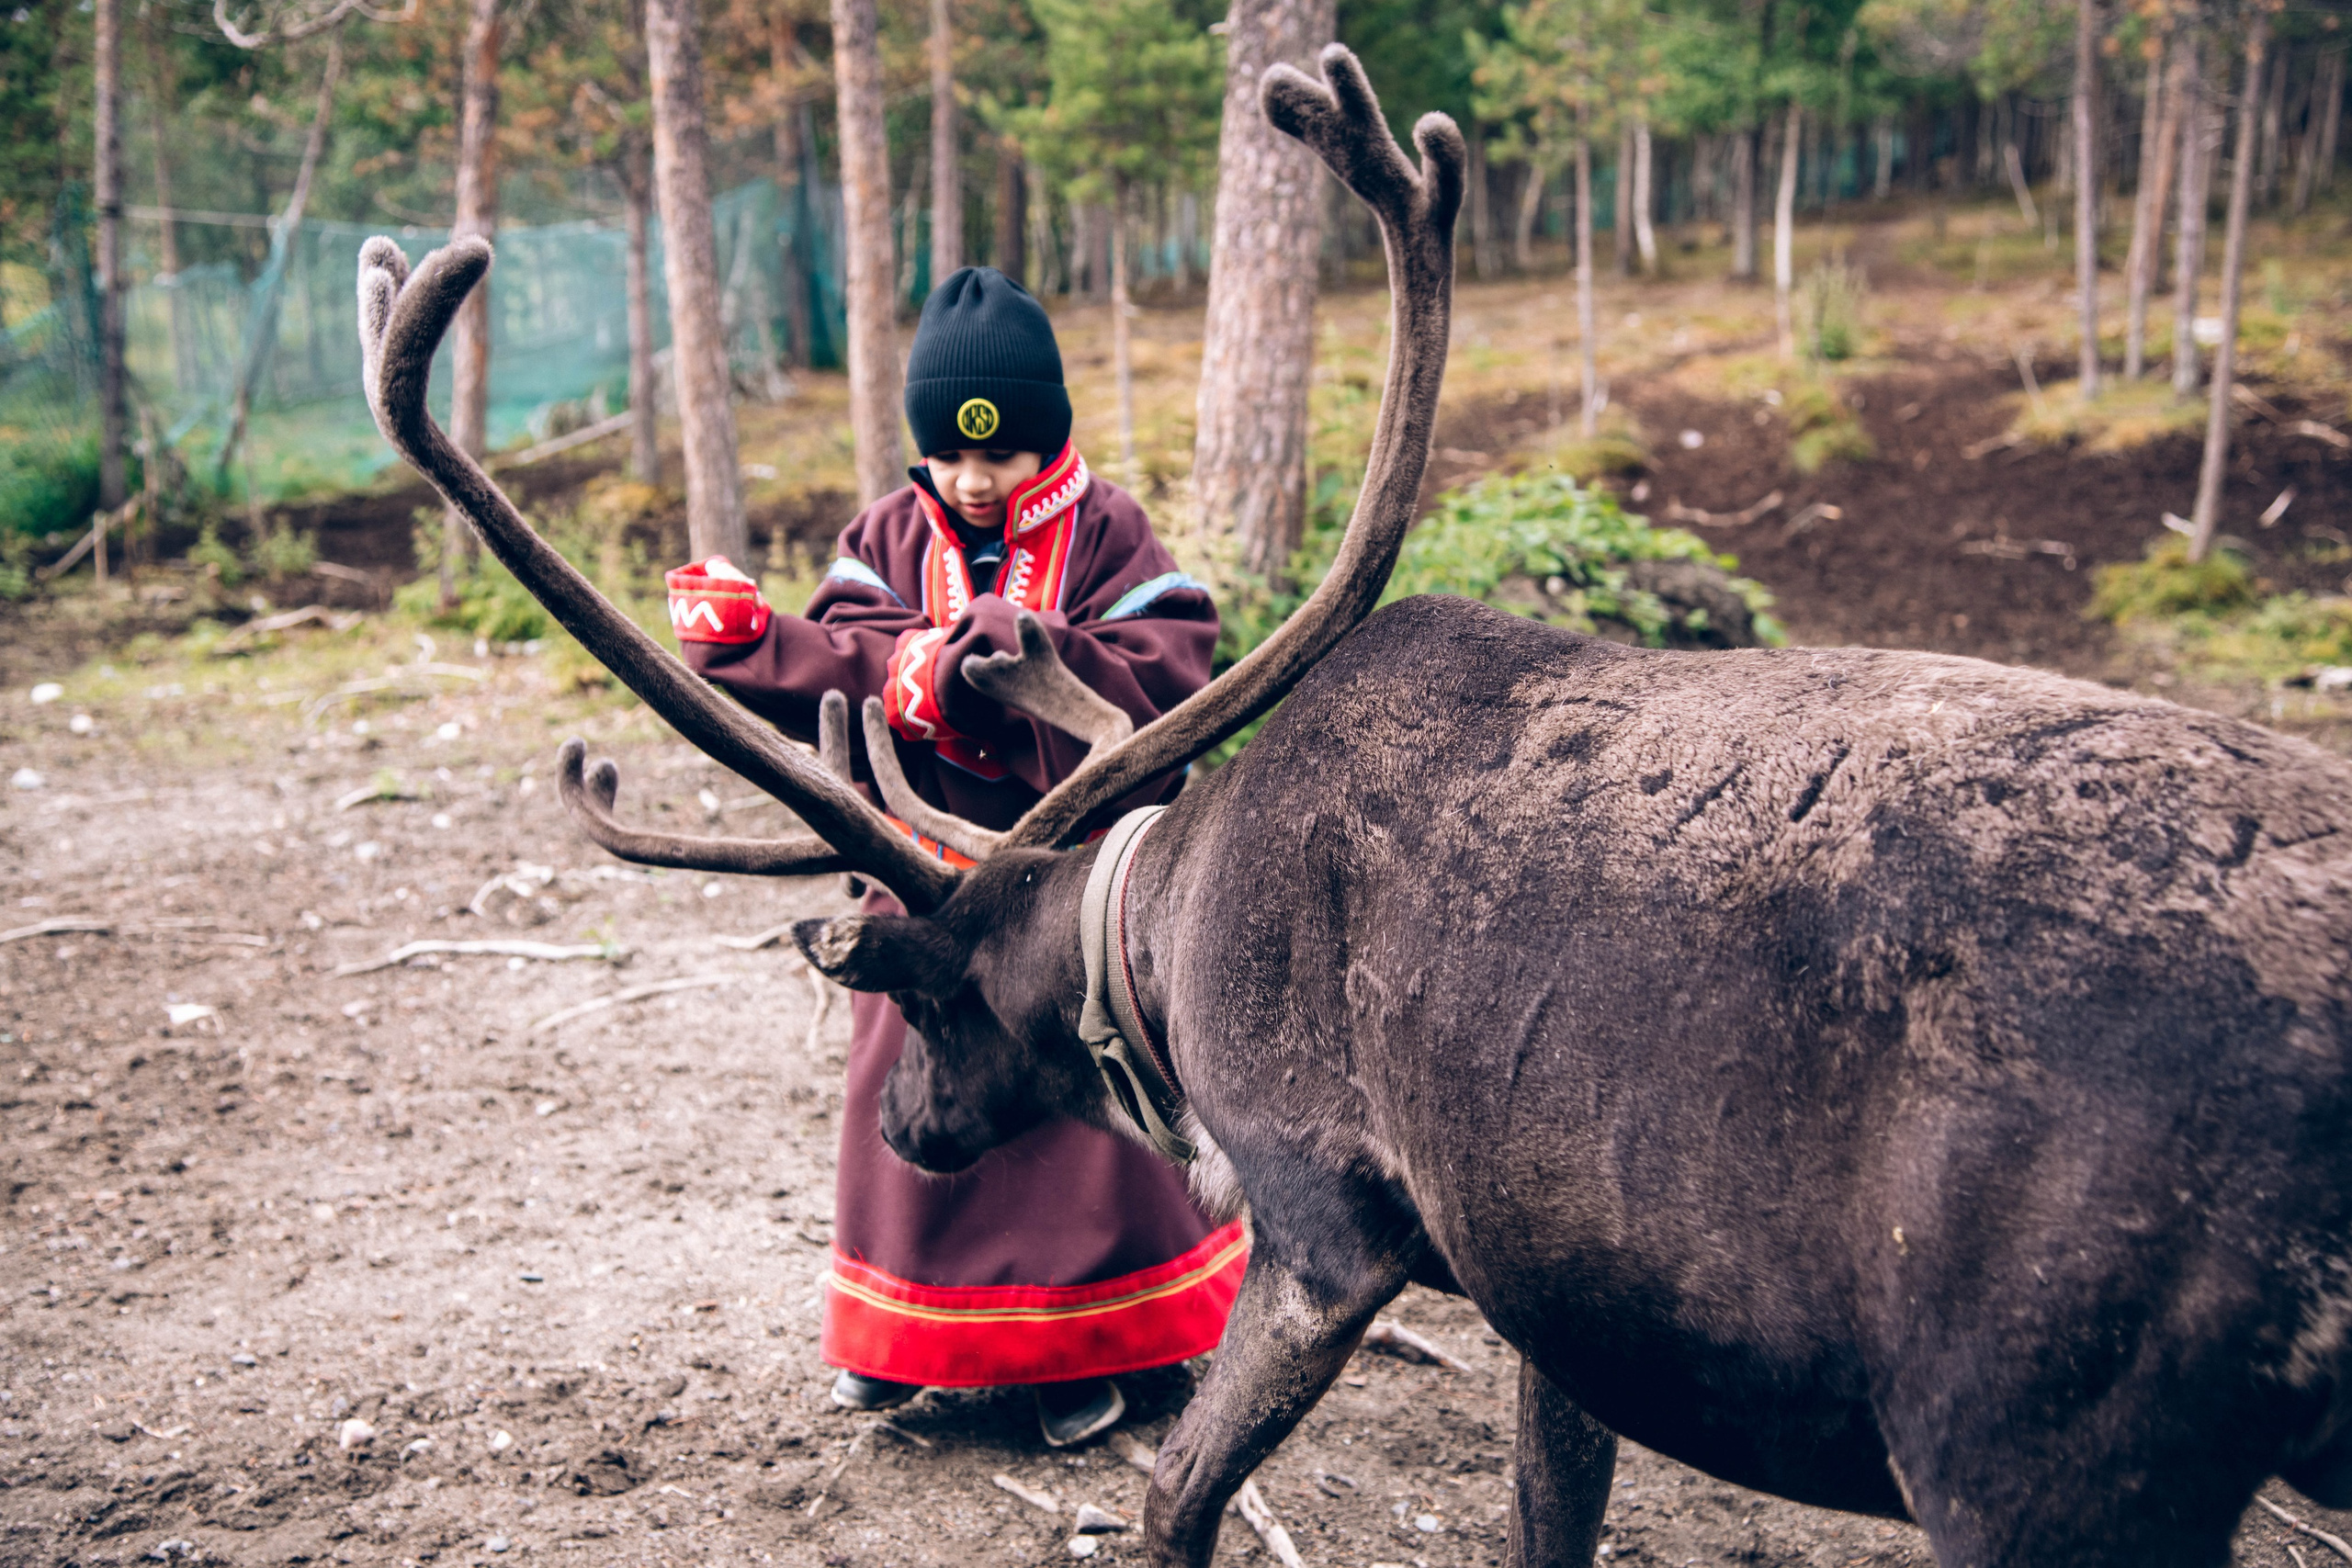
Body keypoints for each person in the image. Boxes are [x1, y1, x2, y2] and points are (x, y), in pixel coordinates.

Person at [662, 266, 1246, 1448]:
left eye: (1005, 456)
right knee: (908, 1092)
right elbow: (843, 654)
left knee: (1079, 1118)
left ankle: (1084, 1343)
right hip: (922, 881)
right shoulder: (883, 534)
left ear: (1053, 435)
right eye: (950, 459)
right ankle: (906, 1339)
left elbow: (1171, 664)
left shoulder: (1110, 532)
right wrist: (763, 645)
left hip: (1069, 893)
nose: (976, 482)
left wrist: (1006, 655)